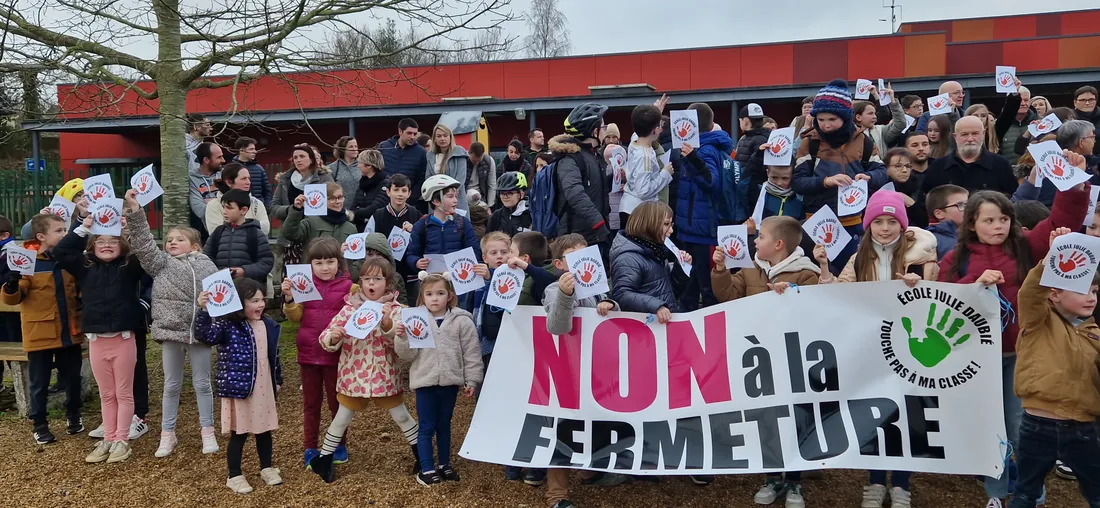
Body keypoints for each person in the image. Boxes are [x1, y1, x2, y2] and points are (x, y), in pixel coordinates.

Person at [939, 156, 1090, 507]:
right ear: (972, 223)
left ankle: (1031, 493)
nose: (998, 226)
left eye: (1004, 219)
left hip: (1022, 355)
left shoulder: (1025, 247)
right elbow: (943, 304)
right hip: (976, 359)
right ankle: (996, 493)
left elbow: (1061, 220)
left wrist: (1073, 184)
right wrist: (972, 283)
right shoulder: (955, 259)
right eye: (989, 220)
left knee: (1022, 427)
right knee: (990, 428)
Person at [815, 190, 937, 508]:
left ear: (902, 225)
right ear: (869, 225)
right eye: (878, 221)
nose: (885, 228)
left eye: (891, 221)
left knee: (908, 418)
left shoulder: (922, 258)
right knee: (876, 415)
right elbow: (840, 295)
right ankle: (874, 481)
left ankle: (900, 484)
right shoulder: (859, 259)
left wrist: (920, 285)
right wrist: (825, 268)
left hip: (910, 350)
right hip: (873, 350)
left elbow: (938, 296)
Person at [711, 215, 818, 508]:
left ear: (778, 244)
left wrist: (792, 296)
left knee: (796, 419)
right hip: (759, 358)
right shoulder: (749, 269)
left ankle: (794, 482)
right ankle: (772, 477)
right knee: (768, 418)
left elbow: (816, 311)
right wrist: (720, 270)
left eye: (760, 237)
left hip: (793, 359)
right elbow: (727, 296)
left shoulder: (806, 274)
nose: (754, 241)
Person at [1008, 227, 1100, 508]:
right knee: (1026, 492)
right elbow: (1030, 292)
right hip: (1037, 426)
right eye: (1082, 289)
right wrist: (1053, 258)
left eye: (1095, 290)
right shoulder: (1037, 322)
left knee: (1097, 492)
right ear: (1054, 295)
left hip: (1082, 427)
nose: (1091, 297)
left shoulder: (1095, 333)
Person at [123, 190, 220, 458]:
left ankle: (207, 431)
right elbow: (143, 244)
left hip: (200, 331)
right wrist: (135, 212)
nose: (172, 242)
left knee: (203, 383)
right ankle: (168, 434)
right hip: (171, 331)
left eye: (179, 239)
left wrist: (208, 307)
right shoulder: (161, 264)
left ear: (195, 246)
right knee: (171, 385)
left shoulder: (209, 267)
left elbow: (222, 299)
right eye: (169, 240)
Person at [308, 257, 420, 483]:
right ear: (361, 281)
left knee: (401, 416)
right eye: (367, 278)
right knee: (341, 418)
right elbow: (326, 336)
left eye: (377, 279)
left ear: (387, 283)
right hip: (354, 376)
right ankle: (325, 459)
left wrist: (388, 326)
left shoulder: (397, 310)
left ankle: (422, 455)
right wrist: (333, 337)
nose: (372, 283)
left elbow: (401, 345)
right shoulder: (349, 308)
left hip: (384, 375)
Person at [540, 233, 628, 508]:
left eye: (586, 256)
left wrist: (611, 305)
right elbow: (557, 326)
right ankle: (557, 494)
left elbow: (616, 318)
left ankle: (590, 471)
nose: (582, 263)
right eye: (573, 258)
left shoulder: (598, 288)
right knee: (564, 429)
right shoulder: (555, 290)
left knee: (596, 422)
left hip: (598, 371)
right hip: (569, 373)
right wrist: (567, 295)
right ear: (560, 264)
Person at [53, 213, 145, 463]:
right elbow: (60, 252)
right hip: (96, 340)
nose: (106, 245)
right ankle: (109, 436)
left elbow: (147, 254)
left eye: (113, 241)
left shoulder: (129, 266)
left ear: (121, 245)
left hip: (123, 338)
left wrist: (132, 230)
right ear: (92, 245)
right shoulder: (84, 266)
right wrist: (83, 227)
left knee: (123, 393)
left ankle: (121, 440)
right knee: (107, 394)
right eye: (101, 241)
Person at [1, 214, 85, 444]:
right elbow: (13, 298)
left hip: (70, 331)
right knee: (39, 383)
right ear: (41, 236)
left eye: (64, 230)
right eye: (58, 231)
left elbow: (78, 289)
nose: (64, 234)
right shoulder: (29, 261)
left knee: (73, 378)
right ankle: (39, 423)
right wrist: (11, 284)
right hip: (40, 333)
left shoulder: (69, 259)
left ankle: (74, 415)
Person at [394, 271, 483, 486]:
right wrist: (402, 337)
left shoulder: (462, 321)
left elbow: (471, 352)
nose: (435, 298)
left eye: (440, 293)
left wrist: (472, 380)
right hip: (425, 381)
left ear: (450, 295)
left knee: (444, 424)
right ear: (422, 297)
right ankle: (426, 469)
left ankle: (444, 464)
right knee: (426, 426)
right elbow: (407, 355)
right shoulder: (417, 320)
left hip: (450, 382)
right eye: (429, 294)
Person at [196, 278, 283, 493]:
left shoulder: (267, 324)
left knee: (264, 429)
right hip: (240, 388)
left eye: (262, 299)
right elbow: (205, 335)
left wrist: (277, 379)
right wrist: (203, 310)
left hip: (263, 385)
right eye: (254, 300)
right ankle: (234, 474)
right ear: (238, 302)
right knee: (240, 432)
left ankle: (267, 467)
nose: (260, 305)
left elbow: (273, 355)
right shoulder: (228, 325)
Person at [793, 79, 888, 273]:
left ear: (845, 118)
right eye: (821, 119)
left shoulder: (865, 142)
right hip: (817, 222)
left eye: (832, 120)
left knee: (851, 273)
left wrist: (869, 177)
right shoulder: (809, 143)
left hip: (852, 222)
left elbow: (882, 172)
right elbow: (798, 181)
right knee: (819, 275)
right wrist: (826, 181)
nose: (826, 125)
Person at [281, 237, 353, 469]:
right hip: (308, 353)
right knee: (311, 405)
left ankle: (339, 445)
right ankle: (310, 447)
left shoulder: (350, 288)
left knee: (337, 404)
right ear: (310, 265)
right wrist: (290, 299)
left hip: (336, 355)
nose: (325, 267)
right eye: (319, 263)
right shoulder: (303, 285)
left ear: (338, 262)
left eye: (330, 261)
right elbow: (295, 317)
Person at [676, 102, 730, 311]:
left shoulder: (705, 150)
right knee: (691, 284)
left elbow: (711, 183)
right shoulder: (702, 147)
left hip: (702, 231)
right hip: (693, 229)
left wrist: (693, 159)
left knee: (705, 287)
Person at [610, 201, 690, 323]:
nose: (671, 231)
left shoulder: (657, 251)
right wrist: (656, 306)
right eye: (666, 224)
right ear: (650, 225)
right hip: (645, 328)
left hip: (662, 323)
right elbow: (622, 295)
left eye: (671, 224)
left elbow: (668, 292)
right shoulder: (628, 258)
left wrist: (681, 268)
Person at [550, 103, 612, 253]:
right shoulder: (570, 159)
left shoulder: (594, 155)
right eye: (603, 127)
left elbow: (594, 188)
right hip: (577, 239)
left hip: (597, 234)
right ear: (595, 131)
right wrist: (598, 222)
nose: (605, 130)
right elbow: (575, 194)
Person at [271, 144, 334, 288]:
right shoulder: (285, 180)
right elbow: (274, 208)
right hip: (291, 238)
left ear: (311, 159)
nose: (298, 160)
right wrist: (292, 209)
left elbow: (335, 203)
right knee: (295, 282)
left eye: (302, 156)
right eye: (295, 157)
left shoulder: (325, 179)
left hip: (316, 234)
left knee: (316, 279)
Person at [405, 174, 481, 278]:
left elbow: (474, 252)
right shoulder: (422, 226)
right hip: (432, 282)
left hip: (458, 280)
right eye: (450, 196)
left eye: (456, 196)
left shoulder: (463, 223)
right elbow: (411, 254)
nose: (455, 200)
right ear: (435, 201)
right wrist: (416, 262)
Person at [921, 116, 1018, 197]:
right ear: (955, 137)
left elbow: (1012, 198)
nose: (970, 139)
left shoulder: (1000, 164)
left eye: (975, 133)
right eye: (964, 134)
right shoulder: (938, 167)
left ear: (983, 134)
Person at [204, 189, 274, 286]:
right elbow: (205, 259)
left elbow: (266, 262)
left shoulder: (255, 233)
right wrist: (218, 272)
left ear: (243, 210)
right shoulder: (218, 233)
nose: (224, 212)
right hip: (222, 287)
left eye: (229, 208)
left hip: (248, 287)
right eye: (223, 207)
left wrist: (244, 271)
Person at [621, 103, 674, 228]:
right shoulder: (645, 156)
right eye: (660, 125)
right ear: (655, 130)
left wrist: (655, 111)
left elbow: (642, 125)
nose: (661, 128)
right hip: (639, 213)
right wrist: (665, 174)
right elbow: (643, 191)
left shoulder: (636, 140)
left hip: (632, 209)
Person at [371, 174, 421, 295]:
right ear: (388, 192)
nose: (400, 194)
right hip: (384, 274)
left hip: (411, 275)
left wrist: (415, 231)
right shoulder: (378, 216)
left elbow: (424, 243)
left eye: (404, 190)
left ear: (409, 193)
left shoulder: (416, 215)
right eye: (396, 190)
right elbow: (369, 242)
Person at [282, 182, 357, 250]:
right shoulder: (311, 221)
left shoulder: (350, 227)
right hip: (314, 264)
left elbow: (356, 257)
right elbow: (290, 234)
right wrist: (296, 210)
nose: (337, 202)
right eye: (332, 199)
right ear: (323, 200)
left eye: (340, 198)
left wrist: (352, 265)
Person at [204, 162, 270, 236]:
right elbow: (216, 234)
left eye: (249, 178)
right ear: (229, 182)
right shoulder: (214, 205)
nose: (248, 182)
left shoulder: (256, 203)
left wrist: (235, 228)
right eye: (244, 179)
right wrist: (253, 226)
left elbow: (265, 228)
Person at [379, 118, 428, 206]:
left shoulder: (421, 152)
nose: (412, 137)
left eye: (415, 134)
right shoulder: (384, 147)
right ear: (400, 131)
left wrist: (411, 197)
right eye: (409, 133)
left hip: (407, 201)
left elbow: (422, 178)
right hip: (383, 199)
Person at [425, 124, 470, 213]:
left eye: (445, 135)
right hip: (436, 200)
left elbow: (460, 179)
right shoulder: (430, 155)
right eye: (439, 136)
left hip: (455, 199)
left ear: (450, 137)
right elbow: (428, 178)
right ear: (434, 139)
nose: (442, 138)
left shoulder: (459, 152)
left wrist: (448, 195)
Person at [880, 147, 927, 228]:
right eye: (898, 166)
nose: (905, 170)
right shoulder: (879, 189)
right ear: (886, 168)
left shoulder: (918, 187)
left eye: (908, 166)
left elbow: (924, 222)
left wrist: (911, 203)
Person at [857, 84, 907, 156]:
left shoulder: (881, 131)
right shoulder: (851, 133)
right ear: (858, 117)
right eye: (870, 114)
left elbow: (900, 123)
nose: (874, 117)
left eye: (875, 113)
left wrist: (892, 102)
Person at [190, 141, 225, 242]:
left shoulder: (225, 175)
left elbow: (234, 204)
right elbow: (199, 209)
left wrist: (209, 202)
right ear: (206, 160)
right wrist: (221, 206)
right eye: (219, 157)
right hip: (204, 234)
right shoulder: (192, 178)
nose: (223, 160)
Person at [736, 102, 771, 202]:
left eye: (740, 120)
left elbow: (758, 168)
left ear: (746, 120)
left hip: (752, 190)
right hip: (747, 187)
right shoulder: (747, 138)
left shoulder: (758, 139)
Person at [995, 82, 1036, 165]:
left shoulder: (1039, 122)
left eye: (1026, 100)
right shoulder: (998, 125)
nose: (1023, 103)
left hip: (1031, 172)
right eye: (1019, 100)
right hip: (1007, 172)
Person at [924, 184, 968, 260]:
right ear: (939, 214)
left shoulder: (974, 235)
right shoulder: (931, 241)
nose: (968, 209)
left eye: (968, 204)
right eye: (960, 205)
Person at [349, 149, 389, 231]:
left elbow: (375, 208)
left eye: (360, 163)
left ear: (369, 165)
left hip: (378, 228)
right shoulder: (362, 183)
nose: (358, 166)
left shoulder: (386, 183)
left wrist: (355, 213)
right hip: (360, 228)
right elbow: (353, 206)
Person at [233, 137, 272, 208]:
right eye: (251, 149)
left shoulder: (259, 169)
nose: (255, 151)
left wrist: (266, 207)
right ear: (241, 151)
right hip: (237, 209)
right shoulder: (231, 168)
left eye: (254, 149)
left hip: (257, 209)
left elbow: (267, 192)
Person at [488, 172, 531, 236]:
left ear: (521, 194)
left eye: (509, 193)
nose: (505, 196)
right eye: (502, 193)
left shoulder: (531, 214)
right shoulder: (496, 216)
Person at [328, 136, 360, 208]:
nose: (354, 149)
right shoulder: (332, 168)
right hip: (339, 209)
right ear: (343, 149)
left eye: (356, 146)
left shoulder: (363, 165)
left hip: (360, 209)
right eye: (351, 146)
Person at [467, 142, 497, 208]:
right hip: (465, 198)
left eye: (479, 160)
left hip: (481, 199)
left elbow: (492, 185)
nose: (477, 163)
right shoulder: (462, 161)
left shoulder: (489, 161)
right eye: (474, 160)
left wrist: (490, 206)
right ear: (469, 153)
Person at [1073, 85, 1100, 155]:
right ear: (1075, 102)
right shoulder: (1069, 118)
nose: (1087, 103)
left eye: (1091, 99)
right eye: (1083, 100)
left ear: (1096, 101)